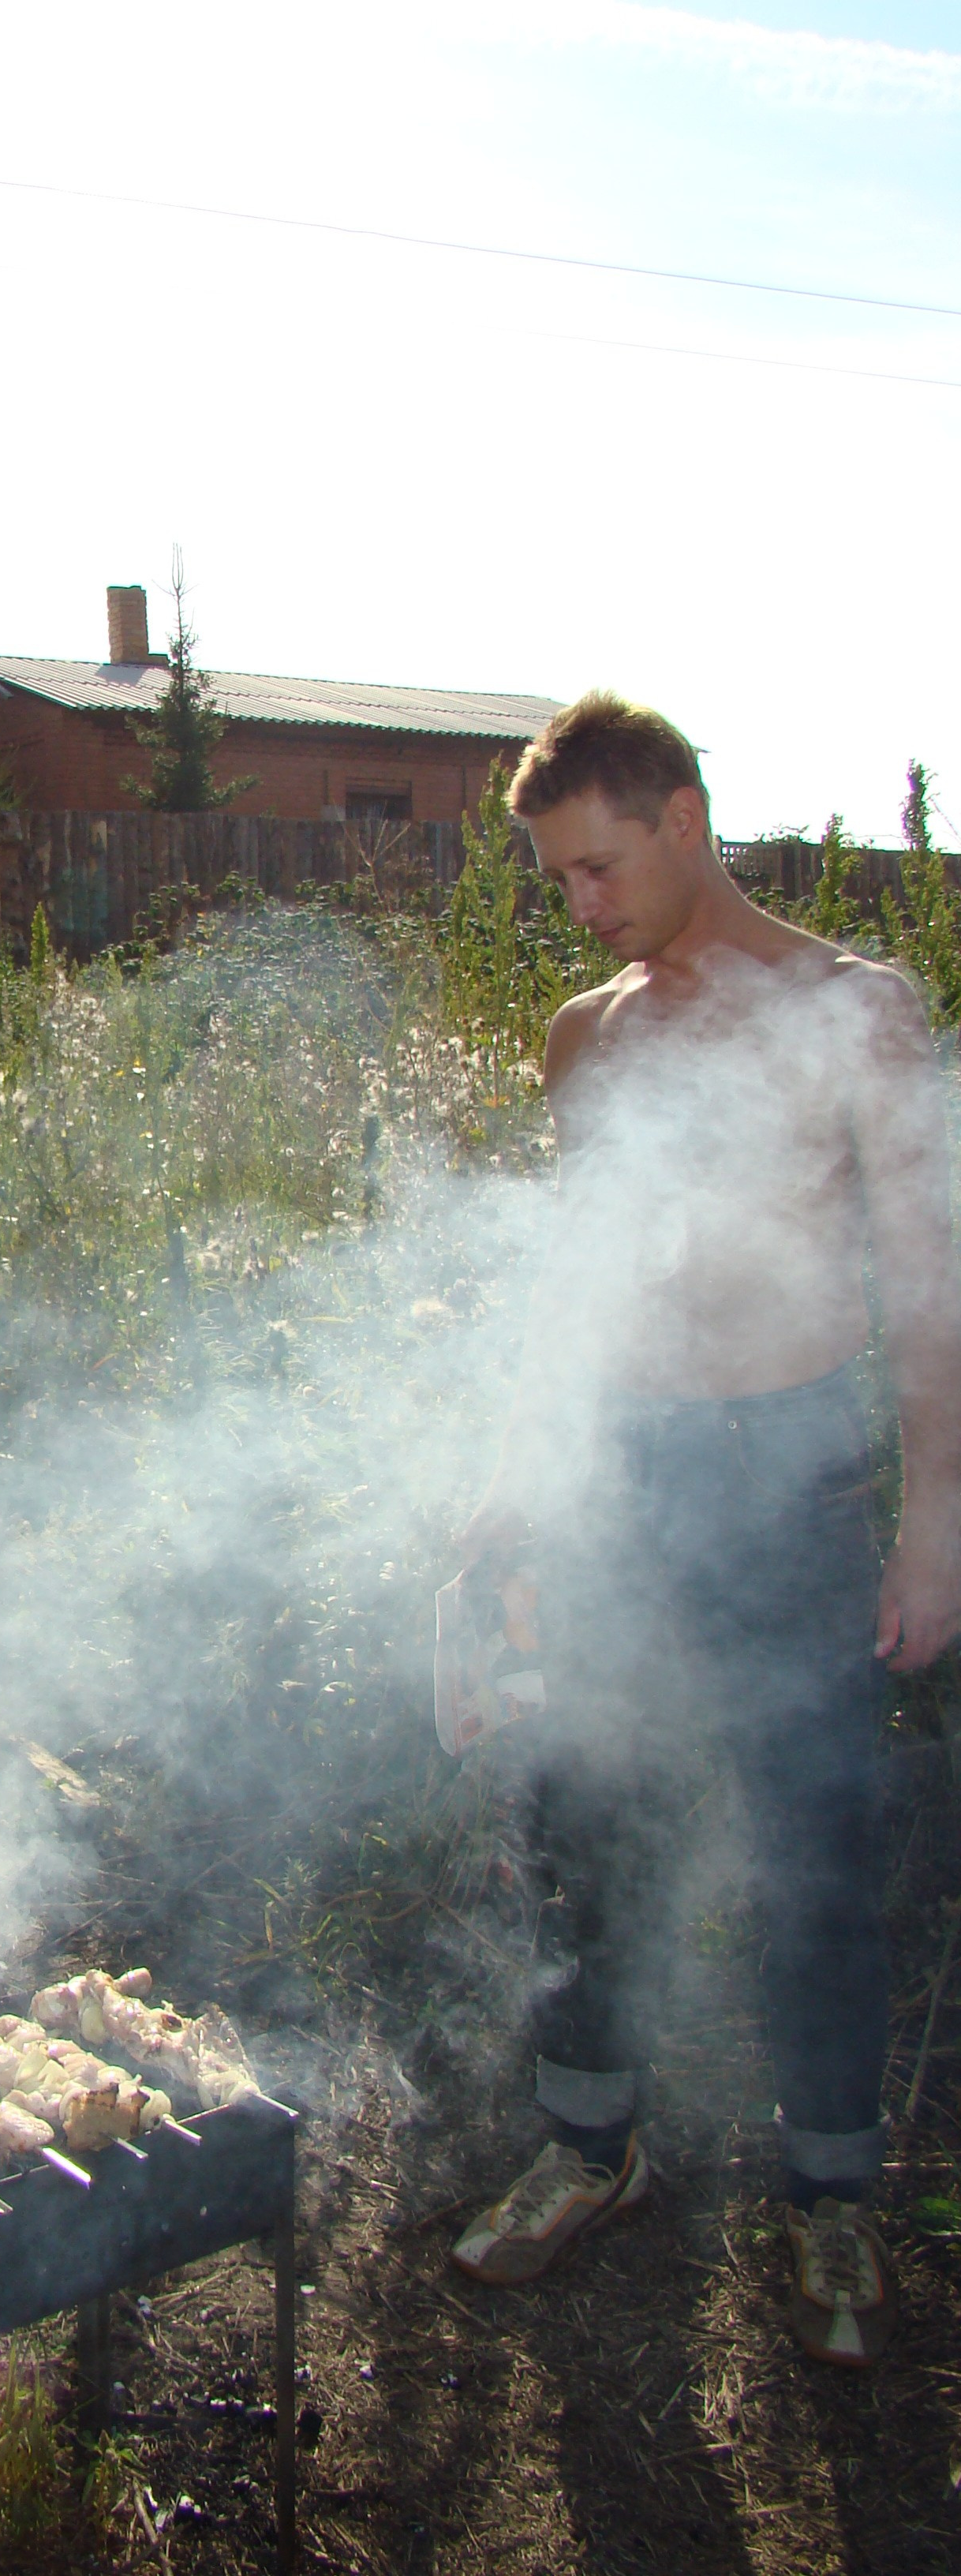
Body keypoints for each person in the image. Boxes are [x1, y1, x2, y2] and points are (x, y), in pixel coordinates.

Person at [449, 693, 961, 2368]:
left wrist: (936, 1518)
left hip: (795, 1472)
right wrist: (516, 1478)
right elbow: (573, 1284)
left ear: (683, 820)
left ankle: (833, 2197)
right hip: (618, 1474)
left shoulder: (854, 1010)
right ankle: (592, 2148)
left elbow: (930, 1280)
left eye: (599, 867)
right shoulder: (586, 1037)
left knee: (816, 1844)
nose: (580, 904)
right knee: (583, 1812)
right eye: (558, 879)